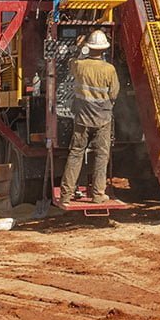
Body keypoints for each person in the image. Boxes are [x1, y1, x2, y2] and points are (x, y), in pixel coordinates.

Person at [58, 29, 120, 205]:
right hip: (103, 119)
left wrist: (79, 48)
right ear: (104, 49)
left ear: (89, 47)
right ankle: (98, 194)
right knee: (102, 155)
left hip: (82, 119)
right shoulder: (109, 69)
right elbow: (114, 94)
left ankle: (65, 196)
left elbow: (69, 62)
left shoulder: (80, 66)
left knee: (76, 154)